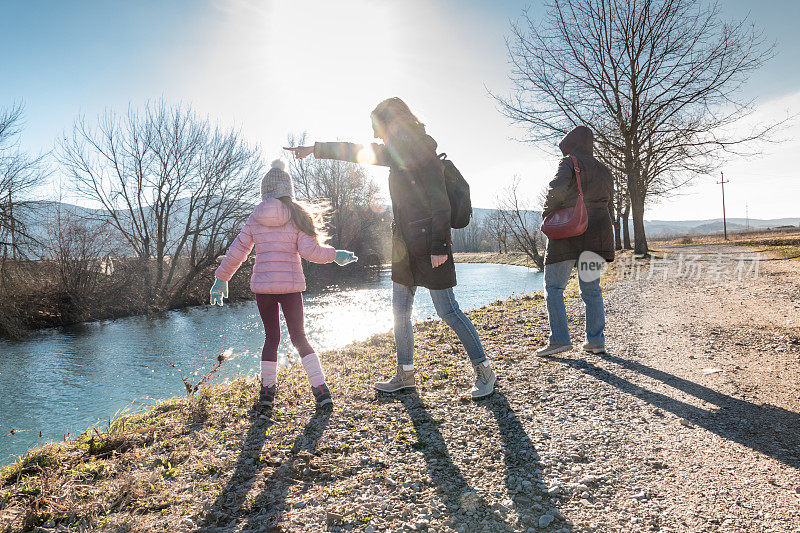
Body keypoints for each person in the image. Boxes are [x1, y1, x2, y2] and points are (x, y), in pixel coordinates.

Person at [285, 97, 496, 400]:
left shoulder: (423, 151)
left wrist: (439, 245)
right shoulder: (397, 154)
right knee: (400, 311)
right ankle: (405, 374)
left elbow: (440, 203)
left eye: (378, 129)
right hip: (404, 246)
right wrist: (315, 149)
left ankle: (484, 370)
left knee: (447, 310)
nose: (376, 136)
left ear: (392, 124)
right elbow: (356, 152)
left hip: (430, 245)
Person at [209, 159, 358, 408]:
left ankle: (267, 394)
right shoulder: (298, 216)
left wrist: (221, 279)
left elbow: (238, 251)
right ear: (288, 189)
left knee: (271, 339)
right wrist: (335, 255)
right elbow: (311, 252)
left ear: (265, 191)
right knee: (300, 337)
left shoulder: (255, 217)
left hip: (263, 289)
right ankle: (321, 390)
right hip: (290, 288)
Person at [536, 126, 614, 357]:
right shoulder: (605, 170)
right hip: (597, 233)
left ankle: (560, 339)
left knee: (554, 287)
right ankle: (596, 341)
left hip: (568, 232)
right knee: (591, 289)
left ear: (570, 145)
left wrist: (547, 214)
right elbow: (608, 201)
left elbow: (556, 190)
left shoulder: (569, 162)